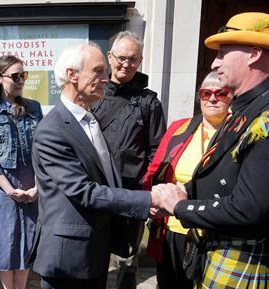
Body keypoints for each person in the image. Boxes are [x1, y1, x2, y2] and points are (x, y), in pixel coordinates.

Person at [158, 12, 269, 288]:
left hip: (243, 264)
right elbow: (225, 177)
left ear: (254, 54)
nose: (214, 62)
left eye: (223, 53)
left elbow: (248, 209)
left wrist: (180, 206)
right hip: (218, 255)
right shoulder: (247, 109)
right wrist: (186, 191)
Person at [30, 41, 183, 289]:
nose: (106, 78)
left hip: (94, 250)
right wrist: (148, 200)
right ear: (72, 75)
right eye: (98, 71)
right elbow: (85, 191)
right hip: (69, 258)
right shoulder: (53, 130)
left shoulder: (88, 118)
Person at [91, 31, 166, 289]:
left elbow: (158, 149)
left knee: (127, 258)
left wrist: (146, 187)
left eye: (133, 60)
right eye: (121, 58)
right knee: (95, 252)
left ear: (140, 61)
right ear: (110, 57)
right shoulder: (94, 94)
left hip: (131, 191)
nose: (126, 64)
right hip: (96, 191)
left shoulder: (149, 101)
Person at [145, 71, 231, 289]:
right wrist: (153, 199)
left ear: (231, 96)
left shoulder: (237, 133)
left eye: (220, 93)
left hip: (210, 230)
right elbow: (159, 168)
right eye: (206, 93)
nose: (212, 98)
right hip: (172, 227)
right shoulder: (180, 128)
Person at [0, 55, 42, 289]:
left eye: (23, 75)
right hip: (4, 190)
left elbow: (40, 152)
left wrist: (37, 187)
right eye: (15, 76)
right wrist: (10, 190)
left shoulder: (34, 108)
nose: (21, 80)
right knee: (6, 245)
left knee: (27, 242)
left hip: (32, 185)